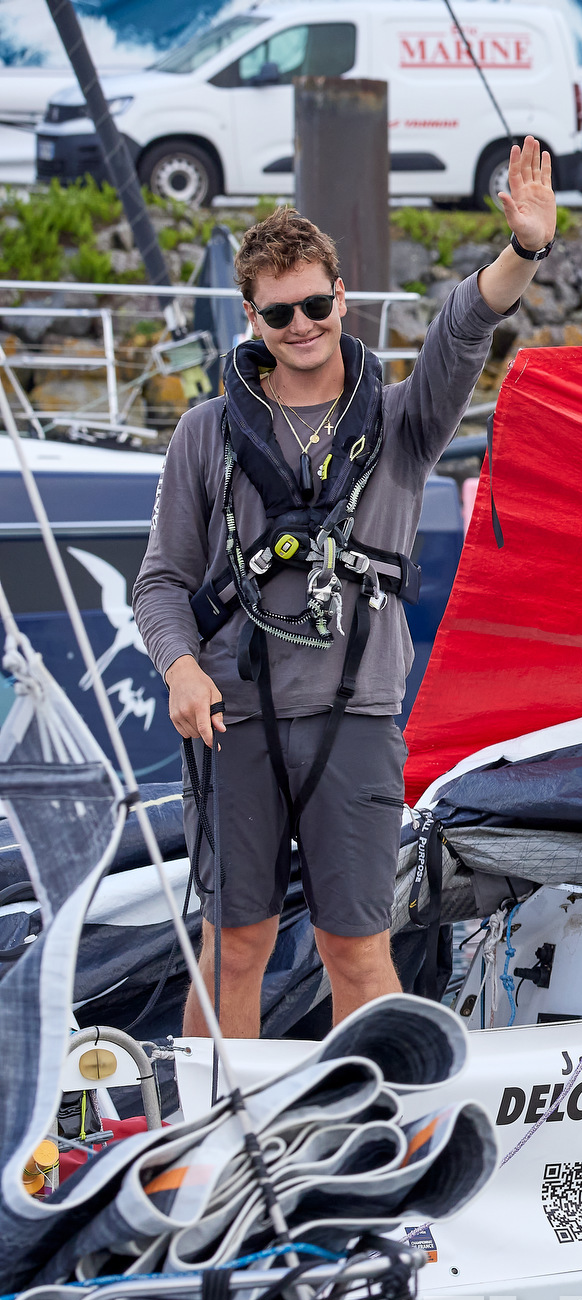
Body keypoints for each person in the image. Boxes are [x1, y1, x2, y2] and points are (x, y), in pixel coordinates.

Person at [132, 140, 559, 1038]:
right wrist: (179, 668)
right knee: (233, 943)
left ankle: (386, 1135)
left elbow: (461, 331)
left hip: (357, 719)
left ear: (342, 301)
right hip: (233, 722)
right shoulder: (204, 435)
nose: (302, 325)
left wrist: (521, 250)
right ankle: (211, 1137)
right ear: (252, 317)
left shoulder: (404, 419)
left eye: (316, 305)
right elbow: (162, 582)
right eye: (280, 312)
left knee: (357, 947)